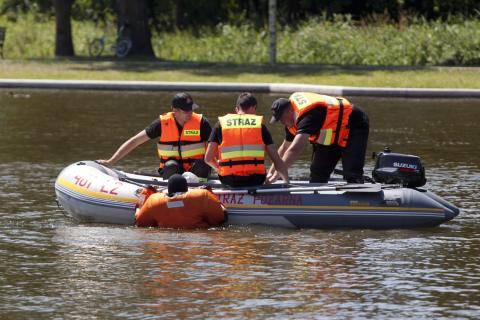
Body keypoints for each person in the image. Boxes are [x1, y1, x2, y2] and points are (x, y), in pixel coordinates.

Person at [97, 92, 212, 180]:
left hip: (196, 173)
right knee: (171, 165)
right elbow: (135, 141)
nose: (190, 112)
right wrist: (110, 162)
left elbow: (216, 147)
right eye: (186, 111)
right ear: (174, 110)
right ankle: (170, 192)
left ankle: (202, 190)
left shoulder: (202, 123)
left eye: (191, 109)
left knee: (203, 164)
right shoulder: (162, 124)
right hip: (172, 171)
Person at [267, 92, 369, 183]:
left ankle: (358, 197)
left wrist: (277, 176)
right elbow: (284, 148)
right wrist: (270, 173)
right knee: (317, 173)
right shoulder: (291, 121)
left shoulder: (307, 117)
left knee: (352, 174)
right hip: (332, 134)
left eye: (281, 118)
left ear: (289, 111)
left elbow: (295, 149)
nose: (281, 122)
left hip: (354, 124)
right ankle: (317, 200)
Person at [204, 92, 289, 187]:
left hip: (229, 180)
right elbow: (276, 160)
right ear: (253, 107)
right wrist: (286, 183)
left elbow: (208, 158)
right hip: (256, 179)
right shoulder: (259, 126)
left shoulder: (220, 125)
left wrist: (219, 168)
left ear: (237, 109)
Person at [135, 174, 225, 229]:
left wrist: (145, 192)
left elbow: (140, 221)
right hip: (197, 238)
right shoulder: (202, 196)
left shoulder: (153, 200)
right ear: (186, 189)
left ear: (168, 190)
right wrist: (210, 192)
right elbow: (220, 217)